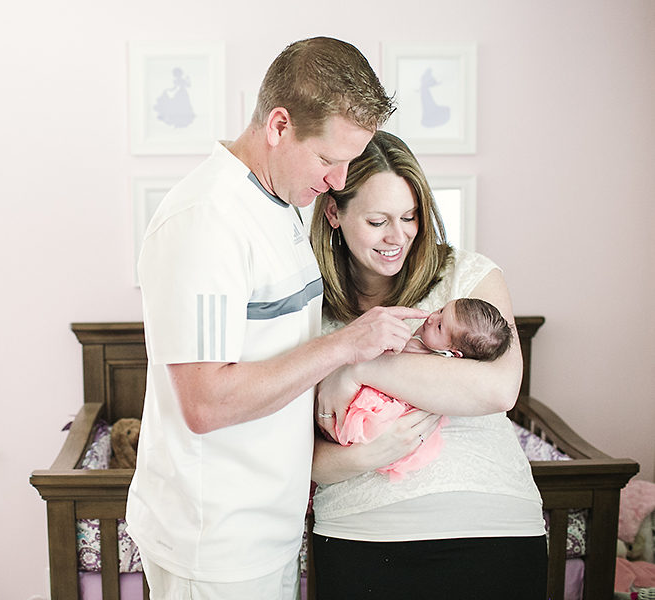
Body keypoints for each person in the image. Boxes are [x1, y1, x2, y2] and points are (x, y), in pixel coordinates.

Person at [125, 37, 441, 600]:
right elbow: (205, 402)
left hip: (269, 528)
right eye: (328, 159)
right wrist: (345, 346)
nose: (339, 180)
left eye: (349, 161)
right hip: (215, 542)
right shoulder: (208, 221)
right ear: (278, 126)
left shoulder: (279, 203)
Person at [309, 130, 547, 599]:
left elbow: (499, 389)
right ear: (334, 212)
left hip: (491, 527)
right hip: (362, 534)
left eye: (410, 216)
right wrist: (362, 457)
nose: (398, 237)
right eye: (377, 221)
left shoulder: (468, 276)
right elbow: (300, 455)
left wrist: (356, 367)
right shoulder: (308, 305)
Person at [334, 297, 514, 482]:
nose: (432, 318)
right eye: (441, 310)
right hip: (375, 389)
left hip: (389, 409)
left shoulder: (432, 361)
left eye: (440, 326)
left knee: (354, 422)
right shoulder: (422, 340)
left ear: (453, 353)